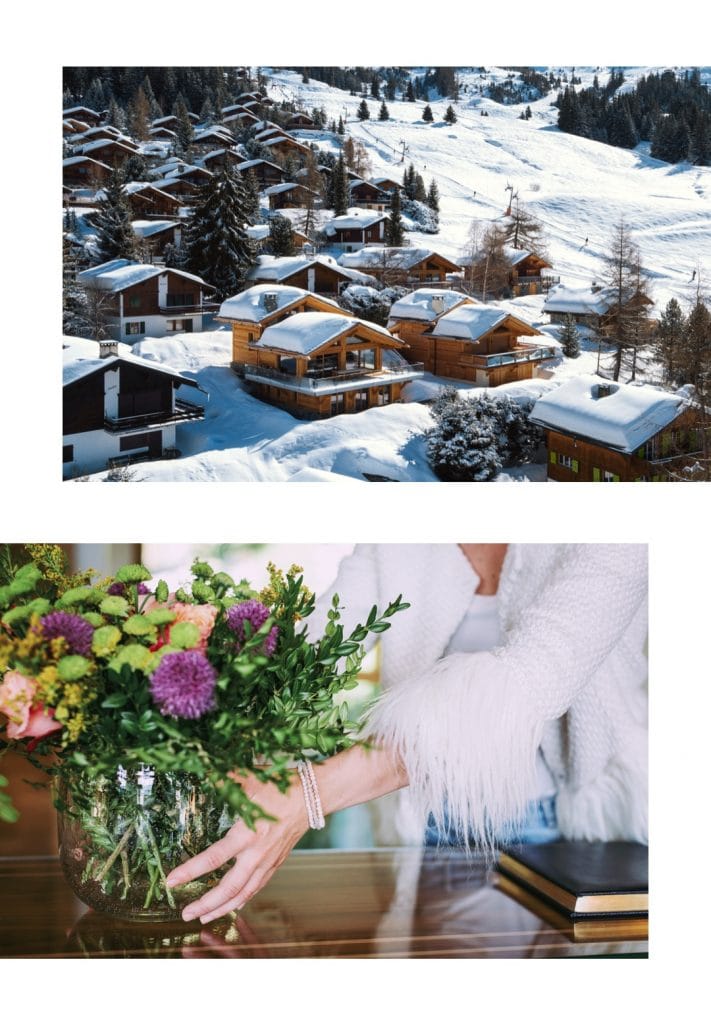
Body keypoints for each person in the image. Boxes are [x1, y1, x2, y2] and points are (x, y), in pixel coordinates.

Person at [166, 543, 648, 925]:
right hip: (431, 818)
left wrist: (310, 791)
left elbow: (521, 688)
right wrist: (196, 677)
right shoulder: (398, 534)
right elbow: (311, 656)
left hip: (567, 827)